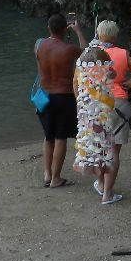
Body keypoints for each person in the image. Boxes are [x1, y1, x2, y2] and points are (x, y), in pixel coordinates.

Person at [35, 13, 86, 188]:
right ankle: (56, 178)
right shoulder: (69, 49)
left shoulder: (38, 45)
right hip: (63, 96)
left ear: (48, 28)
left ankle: (47, 174)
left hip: (44, 97)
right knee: (60, 137)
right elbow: (86, 55)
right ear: (65, 29)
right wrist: (78, 31)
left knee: (48, 136)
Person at [91, 20, 131, 205]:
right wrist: (128, 83)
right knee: (114, 150)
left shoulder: (91, 54)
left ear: (99, 34)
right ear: (115, 36)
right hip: (119, 103)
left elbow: (80, 79)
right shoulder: (124, 53)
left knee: (99, 147)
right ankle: (107, 193)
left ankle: (100, 183)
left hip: (97, 102)